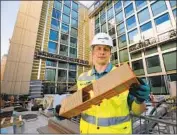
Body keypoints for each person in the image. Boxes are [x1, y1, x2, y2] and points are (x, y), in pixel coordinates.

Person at [59, 33, 150, 134]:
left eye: (106, 49)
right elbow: (79, 105)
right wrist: (62, 111)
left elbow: (138, 111)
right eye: (98, 48)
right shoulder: (82, 78)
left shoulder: (122, 76)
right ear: (93, 52)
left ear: (110, 53)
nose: (102, 52)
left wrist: (140, 100)